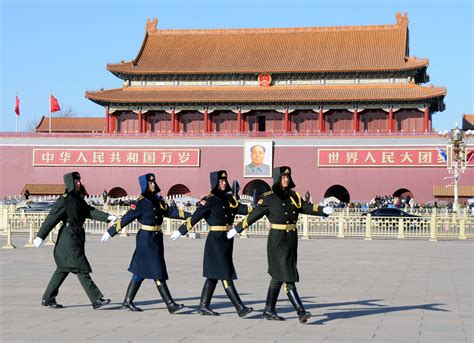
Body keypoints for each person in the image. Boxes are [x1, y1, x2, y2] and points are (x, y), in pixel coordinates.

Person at [228, 166, 334, 323]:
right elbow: (253, 215)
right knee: (288, 275)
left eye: (288, 177)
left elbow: (305, 207)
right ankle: (301, 312)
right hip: (277, 240)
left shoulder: (293, 196)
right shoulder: (269, 198)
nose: (286, 179)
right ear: (278, 178)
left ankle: (268, 310)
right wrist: (237, 229)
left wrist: (322, 210)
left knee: (278, 276)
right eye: (283, 177)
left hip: (291, 239)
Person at [101, 173, 190, 313]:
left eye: (154, 182)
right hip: (145, 239)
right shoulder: (140, 203)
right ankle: (170, 304)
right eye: (150, 183)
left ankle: (127, 301)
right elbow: (126, 219)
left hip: (156, 238)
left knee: (140, 271)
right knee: (157, 270)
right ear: (145, 185)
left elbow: (171, 212)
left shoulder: (158, 200)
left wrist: (190, 216)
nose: (153, 184)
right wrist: (111, 232)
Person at [170, 170, 254, 318]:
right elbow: (195, 217)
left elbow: (242, 209)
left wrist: (259, 207)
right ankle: (240, 308)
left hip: (227, 238)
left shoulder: (229, 199)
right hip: (215, 240)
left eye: (225, 180)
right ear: (215, 182)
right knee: (225, 273)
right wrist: (180, 231)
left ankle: (203, 305)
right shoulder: (209, 200)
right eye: (221, 180)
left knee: (213, 276)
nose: (224, 182)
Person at [33, 171, 116, 309]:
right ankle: (96, 299)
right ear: (70, 183)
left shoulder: (78, 199)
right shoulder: (64, 201)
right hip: (68, 238)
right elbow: (51, 219)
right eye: (76, 181)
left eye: (79, 181)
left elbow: (89, 211)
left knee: (62, 269)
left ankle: (47, 299)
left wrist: (107, 217)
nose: (79, 183)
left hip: (76, 237)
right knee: (81, 267)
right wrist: (40, 236)